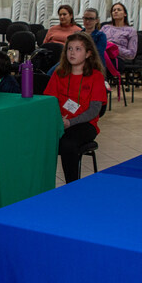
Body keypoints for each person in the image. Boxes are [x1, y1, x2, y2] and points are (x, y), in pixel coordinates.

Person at [44, 32, 105, 183]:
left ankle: (72, 185)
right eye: (69, 49)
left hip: (85, 124)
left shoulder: (96, 76)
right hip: (60, 121)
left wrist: (70, 122)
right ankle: (42, 185)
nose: (72, 52)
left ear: (88, 54)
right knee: (38, 139)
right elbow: (50, 101)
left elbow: (94, 110)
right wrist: (58, 119)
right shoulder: (59, 74)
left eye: (78, 49)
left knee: (67, 144)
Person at [102, 1, 138, 71]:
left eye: (119, 10)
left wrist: (114, 48)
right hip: (102, 54)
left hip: (117, 58)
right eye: (114, 10)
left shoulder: (131, 31)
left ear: (125, 14)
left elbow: (131, 54)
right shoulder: (105, 28)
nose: (116, 12)